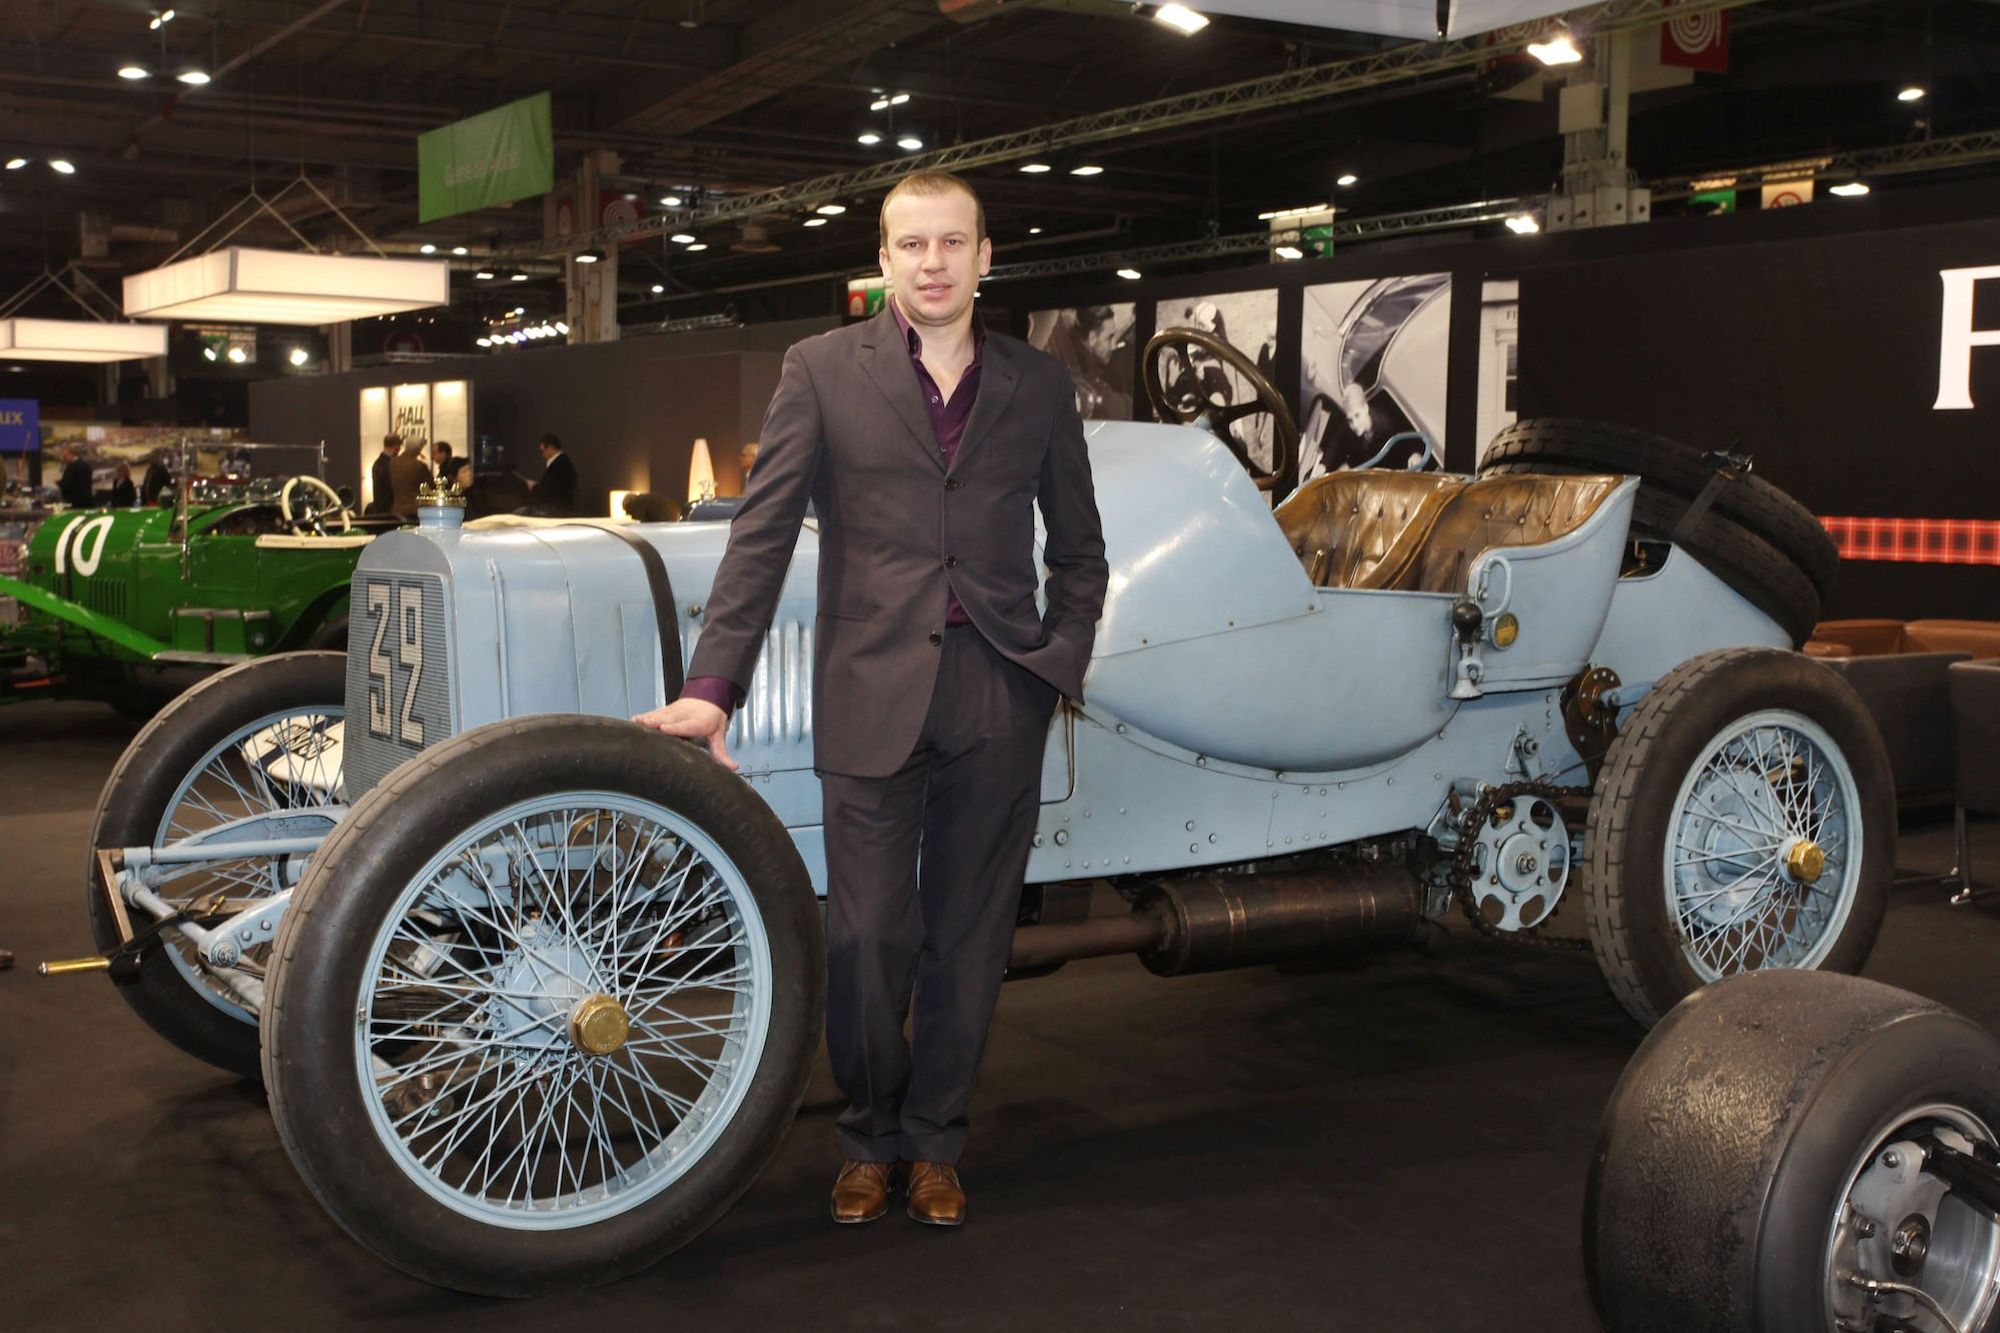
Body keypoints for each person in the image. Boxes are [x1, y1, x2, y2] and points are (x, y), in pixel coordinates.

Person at [634, 170, 1107, 1231]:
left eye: (952, 243)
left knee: (969, 935)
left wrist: (1055, 659)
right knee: (865, 938)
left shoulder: (1037, 385)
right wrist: (712, 689)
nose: (932, 262)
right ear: (883, 261)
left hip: (996, 691)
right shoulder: (818, 371)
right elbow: (758, 538)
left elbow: (1080, 549)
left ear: (986, 257)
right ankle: (865, 1131)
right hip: (868, 691)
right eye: (910, 245)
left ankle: (936, 1141)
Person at [529, 432, 576, 515]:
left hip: (556, 510)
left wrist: (533, 487)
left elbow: (548, 492)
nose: (543, 455)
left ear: (551, 447)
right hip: (561, 508)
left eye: (543, 451)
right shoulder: (564, 462)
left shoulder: (558, 465)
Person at [387, 437, 433, 520]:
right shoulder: (419, 466)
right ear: (418, 450)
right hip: (414, 510)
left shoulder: (392, 463)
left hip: (397, 509)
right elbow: (430, 487)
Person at [367, 434, 402, 515]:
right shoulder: (390, 465)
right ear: (396, 447)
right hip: (389, 510)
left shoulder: (377, 463)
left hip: (379, 509)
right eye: (399, 448)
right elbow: (392, 487)